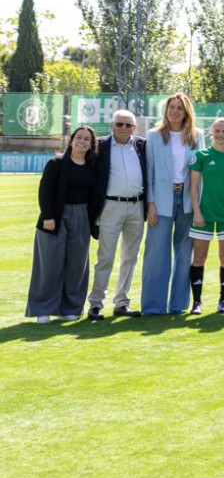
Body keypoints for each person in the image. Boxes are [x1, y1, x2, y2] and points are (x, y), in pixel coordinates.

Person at [27, 126, 101, 322]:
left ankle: (70, 308)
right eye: (79, 137)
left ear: (91, 144)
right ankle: (42, 310)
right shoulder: (56, 162)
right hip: (55, 218)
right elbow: (45, 191)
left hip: (82, 217)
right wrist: (48, 216)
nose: (82, 141)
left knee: (76, 265)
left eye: (87, 139)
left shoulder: (92, 166)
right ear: (71, 140)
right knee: (49, 265)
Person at [142, 94, 201, 316]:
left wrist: (198, 206)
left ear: (186, 112)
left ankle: (178, 305)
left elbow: (200, 174)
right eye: (171, 107)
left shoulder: (197, 137)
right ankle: (153, 306)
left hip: (187, 202)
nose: (174, 111)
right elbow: (149, 172)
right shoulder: (154, 136)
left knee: (185, 255)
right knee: (156, 254)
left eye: (179, 108)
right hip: (161, 201)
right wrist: (151, 203)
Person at [88, 109, 146, 319]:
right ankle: (96, 303)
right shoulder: (100, 146)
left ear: (134, 127)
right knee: (105, 257)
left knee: (130, 257)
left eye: (128, 125)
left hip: (137, 207)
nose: (123, 128)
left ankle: (121, 302)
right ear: (111, 125)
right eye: (119, 124)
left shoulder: (141, 145)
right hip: (110, 206)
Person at [187, 118, 224, 315]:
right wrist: (197, 211)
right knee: (199, 257)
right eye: (217, 131)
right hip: (204, 213)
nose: (221, 134)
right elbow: (193, 186)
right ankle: (197, 302)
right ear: (212, 133)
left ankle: (223, 300)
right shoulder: (201, 155)